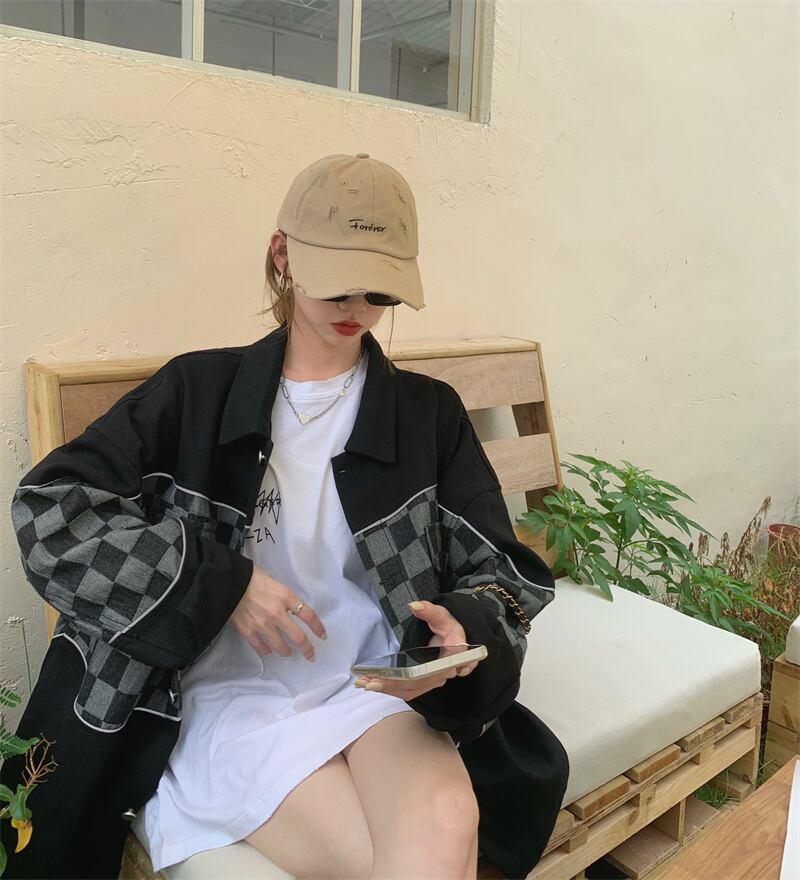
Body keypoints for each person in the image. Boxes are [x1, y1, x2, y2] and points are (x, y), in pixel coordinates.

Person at [3, 153, 569, 880]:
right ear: (283, 256)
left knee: (448, 822)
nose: (355, 305)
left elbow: (499, 570)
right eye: (337, 281)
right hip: (230, 694)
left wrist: (463, 628)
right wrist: (222, 584)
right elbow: (51, 511)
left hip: (371, 681)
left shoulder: (426, 414)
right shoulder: (198, 393)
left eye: (379, 290)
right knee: (405, 861)